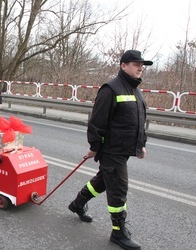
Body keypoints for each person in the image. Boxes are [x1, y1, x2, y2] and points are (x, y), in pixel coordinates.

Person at [68, 50, 152, 250]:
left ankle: (77, 204)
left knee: (103, 181)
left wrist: (141, 144)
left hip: (124, 149)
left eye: (142, 65)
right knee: (118, 191)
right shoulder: (110, 89)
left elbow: (139, 121)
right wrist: (95, 148)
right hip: (112, 151)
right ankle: (118, 232)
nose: (140, 67)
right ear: (123, 65)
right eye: (135, 64)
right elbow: (96, 122)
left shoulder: (135, 90)